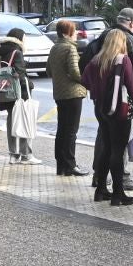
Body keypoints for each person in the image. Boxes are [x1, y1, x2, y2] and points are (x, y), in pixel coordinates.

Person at [81, 7, 133, 192]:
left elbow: (84, 77)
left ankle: (99, 181)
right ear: (131, 22)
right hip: (121, 102)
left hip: (101, 103)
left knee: (104, 138)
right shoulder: (127, 46)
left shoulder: (102, 40)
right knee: (119, 146)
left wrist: (99, 89)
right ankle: (121, 185)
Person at [48, 21, 89, 176]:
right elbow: (75, 72)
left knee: (62, 129)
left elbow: (48, 70)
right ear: (66, 33)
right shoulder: (70, 48)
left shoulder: (54, 48)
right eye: (74, 31)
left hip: (59, 93)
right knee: (72, 130)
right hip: (73, 93)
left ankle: (61, 165)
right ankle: (71, 165)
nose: (76, 33)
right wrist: (87, 81)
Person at [0, 27, 39, 164]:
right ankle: (26, 154)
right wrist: (30, 85)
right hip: (19, 93)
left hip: (6, 92)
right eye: (25, 37)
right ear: (20, 38)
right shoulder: (17, 52)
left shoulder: (3, 51)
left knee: (11, 122)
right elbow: (20, 75)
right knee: (24, 121)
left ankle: (13, 154)